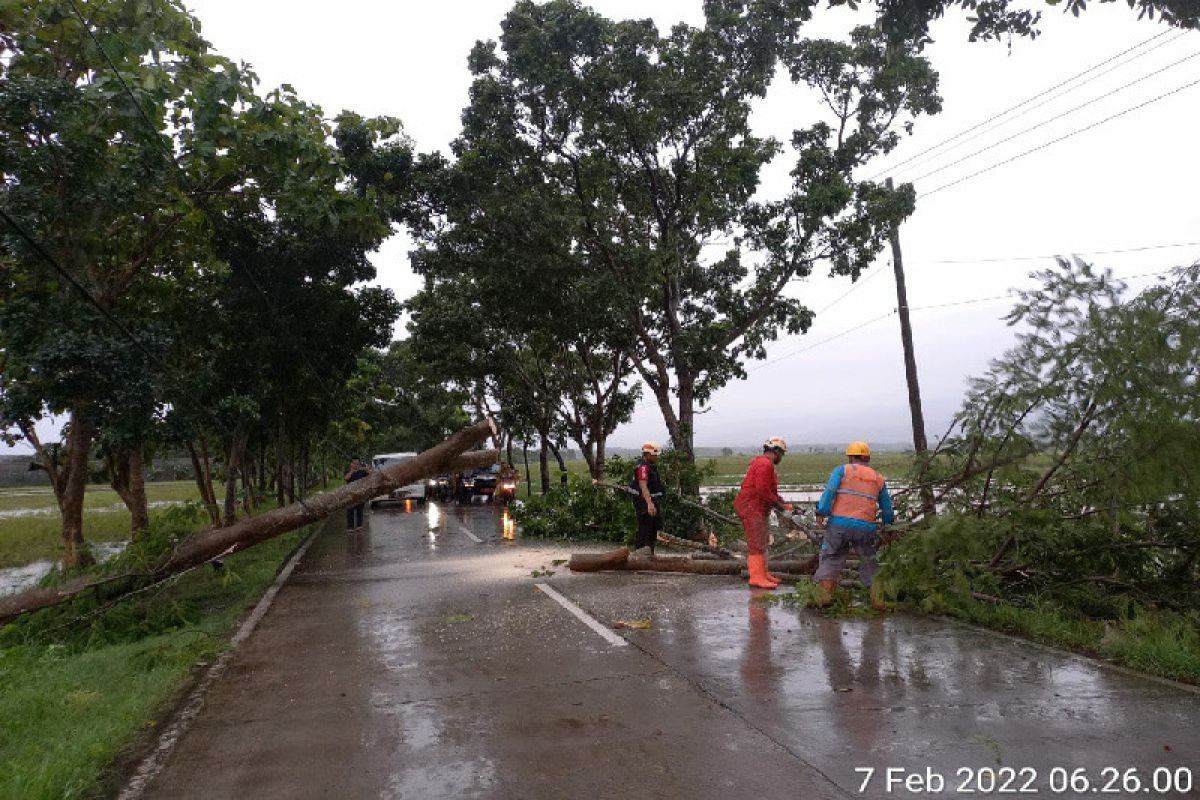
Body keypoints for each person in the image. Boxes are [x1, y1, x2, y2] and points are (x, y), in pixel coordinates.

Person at [814, 441, 894, 609]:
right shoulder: (878, 478)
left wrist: (822, 511)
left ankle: (825, 597)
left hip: (839, 525)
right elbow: (887, 507)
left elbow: (829, 492)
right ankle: (878, 601)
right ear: (867, 458)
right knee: (869, 561)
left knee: (832, 557)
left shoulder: (842, 470)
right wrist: (888, 527)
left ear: (850, 457)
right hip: (865, 527)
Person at [734, 437, 794, 589]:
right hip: (751, 507)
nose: (782, 457)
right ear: (776, 451)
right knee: (756, 543)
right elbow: (762, 490)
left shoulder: (764, 464)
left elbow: (769, 491)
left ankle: (763, 573)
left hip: (757, 507)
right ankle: (756, 577)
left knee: (762, 542)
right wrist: (778, 504)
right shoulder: (764, 464)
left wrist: (782, 503)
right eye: (782, 453)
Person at [628, 441, 665, 557]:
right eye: (654, 454)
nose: (657, 456)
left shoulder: (651, 466)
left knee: (654, 525)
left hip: (652, 499)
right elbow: (643, 486)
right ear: (647, 454)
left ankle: (650, 553)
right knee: (645, 527)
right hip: (643, 501)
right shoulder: (643, 468)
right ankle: (640, 554)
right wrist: (649, 504)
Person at [344, 457, 370, 532]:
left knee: (359, 510)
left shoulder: (362, 471)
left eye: (357, 463)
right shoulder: (348, 471)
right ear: (351, 464)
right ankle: (350, 527)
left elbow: (370, 474)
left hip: (360, 493)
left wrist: (367, 468)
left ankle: (359, 526)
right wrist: (352, 471)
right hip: (350, 494)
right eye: (354, 463)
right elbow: (346, 478)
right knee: (350, 511)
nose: (356, 465)